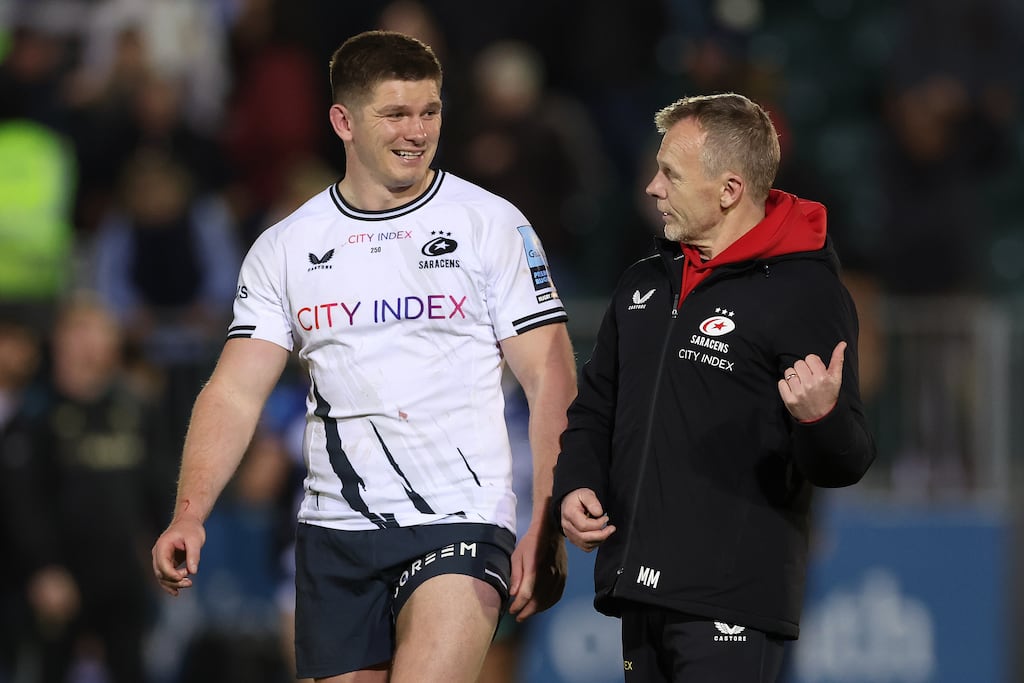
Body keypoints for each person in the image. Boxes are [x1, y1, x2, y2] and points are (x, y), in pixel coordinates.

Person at [151, 30, 576, 683]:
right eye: (396, 114)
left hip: (460, 518)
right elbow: (234, 391)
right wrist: (190, 512)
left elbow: (550, 373)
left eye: (430, 111)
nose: (417, 130)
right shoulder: (286, 246)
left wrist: (546, 517)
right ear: (343, 120)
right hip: (334, 535)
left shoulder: (490, 225)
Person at [552, 93, 876, 683]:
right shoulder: (643, 282)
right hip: (640, 586)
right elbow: (596, 405)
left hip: (731, 603)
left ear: (728, 190)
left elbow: (848, 457)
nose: (652, 187)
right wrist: (575, 482)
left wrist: (819, 417)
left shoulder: (805, 294)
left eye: (670, 173)